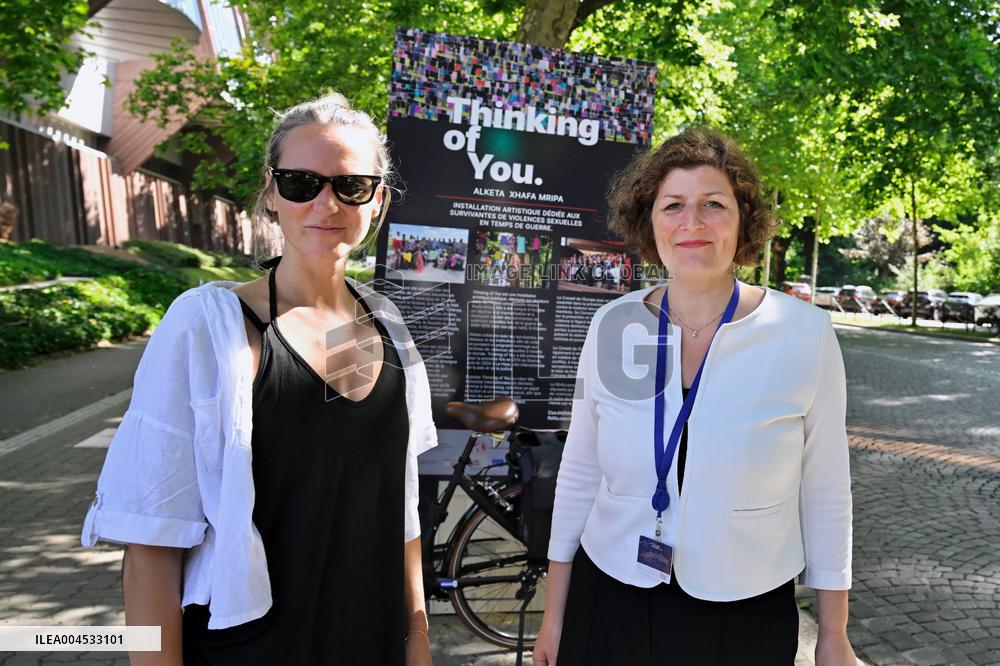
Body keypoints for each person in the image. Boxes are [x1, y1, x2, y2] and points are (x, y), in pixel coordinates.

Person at [81, 93, 437, 666]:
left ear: (379, 200)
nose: (327, 203)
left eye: (351, 185)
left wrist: (417, 639)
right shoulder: (210, 326)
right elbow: (152, 538)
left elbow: (400, 506)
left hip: (368, 639)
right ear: (271, 192)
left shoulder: (380, 323)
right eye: (302, 182)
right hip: (251, 648)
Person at [533, 128, 855, 666]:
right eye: (673, 206)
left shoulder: (804, 333)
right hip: (609, 596)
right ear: (649, 221)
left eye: (713, 204)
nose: (692, 224)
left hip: (744, 609)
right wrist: (554, 616)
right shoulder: (614, 325)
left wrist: (834, 632)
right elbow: (581, 472)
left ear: (744, 218)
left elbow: (826, 492)